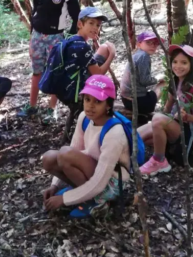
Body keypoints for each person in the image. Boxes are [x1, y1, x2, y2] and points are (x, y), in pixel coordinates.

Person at [41, 75, 131, 218]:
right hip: (92, 170)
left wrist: (65, 198)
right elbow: (73, 149)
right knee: (48, 158)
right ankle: (82, 193)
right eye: (87, 99)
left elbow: (100, 182)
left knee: (65, 154)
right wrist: (55, 185)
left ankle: (96, 201)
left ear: (108, 104)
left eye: (98, 101)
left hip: (111, 182)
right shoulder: (84, 118)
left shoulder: (114, 132)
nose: (90, 106)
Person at [17, 0, 81, 124]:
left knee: (55, 72)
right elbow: (34, 13)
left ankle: (51, 109)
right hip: (38, 36)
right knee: (37, 71)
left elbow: (77, 18)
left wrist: (71, 40)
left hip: (56, 37)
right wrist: (32, 38)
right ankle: (32, 106)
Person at [138, 44, 193, 176]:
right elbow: (167, 108)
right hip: (177, 124)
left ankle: (159, 161)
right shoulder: (176, 82)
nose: (178, 66)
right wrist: (164, 117)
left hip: (189, 131)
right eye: (175, 61)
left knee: (157, 120)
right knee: (138, 135)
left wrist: (186, 117)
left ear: (192, 65)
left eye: (184, 62)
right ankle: (121, 153)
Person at [120, 31, 165, 125]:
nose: (152, 46)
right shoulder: (144, 56)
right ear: (139, 44)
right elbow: (144, 80)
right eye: (148, 42)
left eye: (155, 43)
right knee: (163, 84)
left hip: (126, 99)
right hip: (137, 102)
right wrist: (157, 79)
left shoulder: (136, 55)